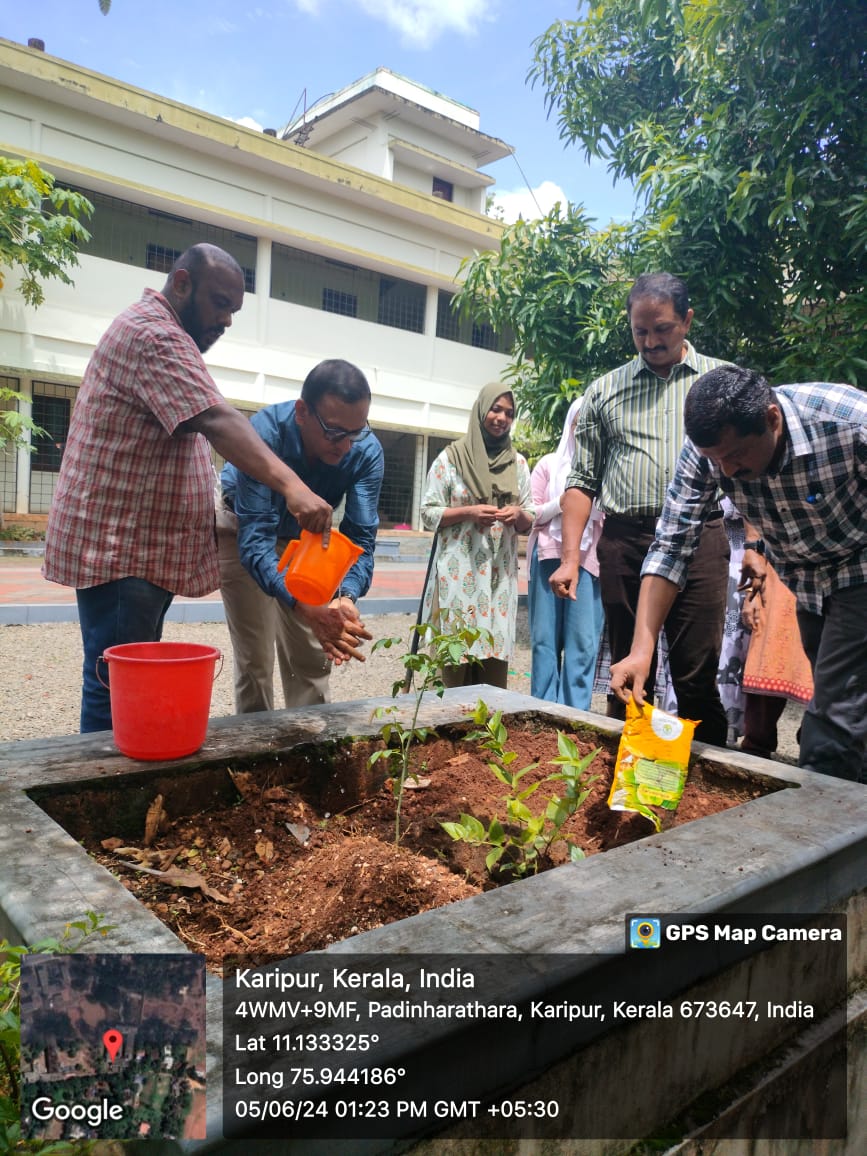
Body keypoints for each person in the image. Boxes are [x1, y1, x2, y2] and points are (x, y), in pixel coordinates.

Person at [43, 243, 331, 733]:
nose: (227, 320)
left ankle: (123, 767)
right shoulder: (153, 335)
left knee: (125, 676)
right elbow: (217, 419)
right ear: (181, 283)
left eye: (233, 309)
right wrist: (292, 486)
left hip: (138, 552)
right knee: (115, 682)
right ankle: (106, 776)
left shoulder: (164, 335)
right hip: (121, 550)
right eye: (220, 303)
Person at [609, 365, 867, 783]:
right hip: (807, 583)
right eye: (717, 460)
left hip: (861, 569)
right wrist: (642, 651)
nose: (727, 471)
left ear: (772, 419)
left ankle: (816, 817)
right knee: (850, 707)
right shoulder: (707, 452)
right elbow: (671, 546)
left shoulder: (848, 423)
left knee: (832, 722)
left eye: (735, 455)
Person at [548, 272, 730, 746]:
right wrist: (570, 558)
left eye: (662, 329)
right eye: (640, 331)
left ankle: (706, 776)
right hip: (626, 543)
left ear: (687, 321)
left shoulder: (720, 383)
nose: (650, 342)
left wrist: (754, 544)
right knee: (627, 672)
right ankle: (622, 775)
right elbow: (582, 481)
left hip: (701, 540)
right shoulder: (605, 391)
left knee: (696, 672)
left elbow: (750, 469)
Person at [218, 359, 384, 712]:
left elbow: (360, 538)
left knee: (311, 655)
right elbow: (256, 543)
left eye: (355, 432)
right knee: (255, 658)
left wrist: (346, 596)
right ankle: (256, 742)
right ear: (302, 412)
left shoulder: (366, 451)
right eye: (334, 432)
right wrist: (303, 606)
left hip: (305, 539)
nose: (345, 446)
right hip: (244, 526)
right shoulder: (264, 434)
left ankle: (311, 738)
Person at [420, 383, 534, 688]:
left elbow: (530, 515)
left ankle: (487, 719)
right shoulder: (451, 459)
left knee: (492, 668)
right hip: (459, 576)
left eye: (509, 413)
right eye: (496, 409)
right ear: (481, 410)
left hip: (499, 579)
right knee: (453, 656)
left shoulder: (518, 464)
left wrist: (519, 515)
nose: (502, 418)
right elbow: (428, 513)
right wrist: (469, 512)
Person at [527, 398, 604, 708]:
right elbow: (530, 513)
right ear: (569, 425)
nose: (583, 429)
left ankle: (575, 716)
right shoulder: (549, 464)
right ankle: (542, 712)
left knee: (583, 644)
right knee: (544, 641)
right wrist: (563, 503)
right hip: (548, 557)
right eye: (578, 422)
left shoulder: (606, 469)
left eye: (591, 424)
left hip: (589, 562)